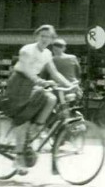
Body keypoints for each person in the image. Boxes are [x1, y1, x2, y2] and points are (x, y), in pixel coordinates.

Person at [5, 24, 75, 174]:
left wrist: (71, 86)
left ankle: (34, 129)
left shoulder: (47, 54)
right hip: (18, 84)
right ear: (37, 36)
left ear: (52, 39)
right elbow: (27, 71)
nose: (44, 39)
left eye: (48, 37)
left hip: (32, 84)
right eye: (42, 36)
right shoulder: (26, 50)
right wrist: (41, 82)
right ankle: (18, 159)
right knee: (22, 119)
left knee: (51, 98)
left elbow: (55, 73)